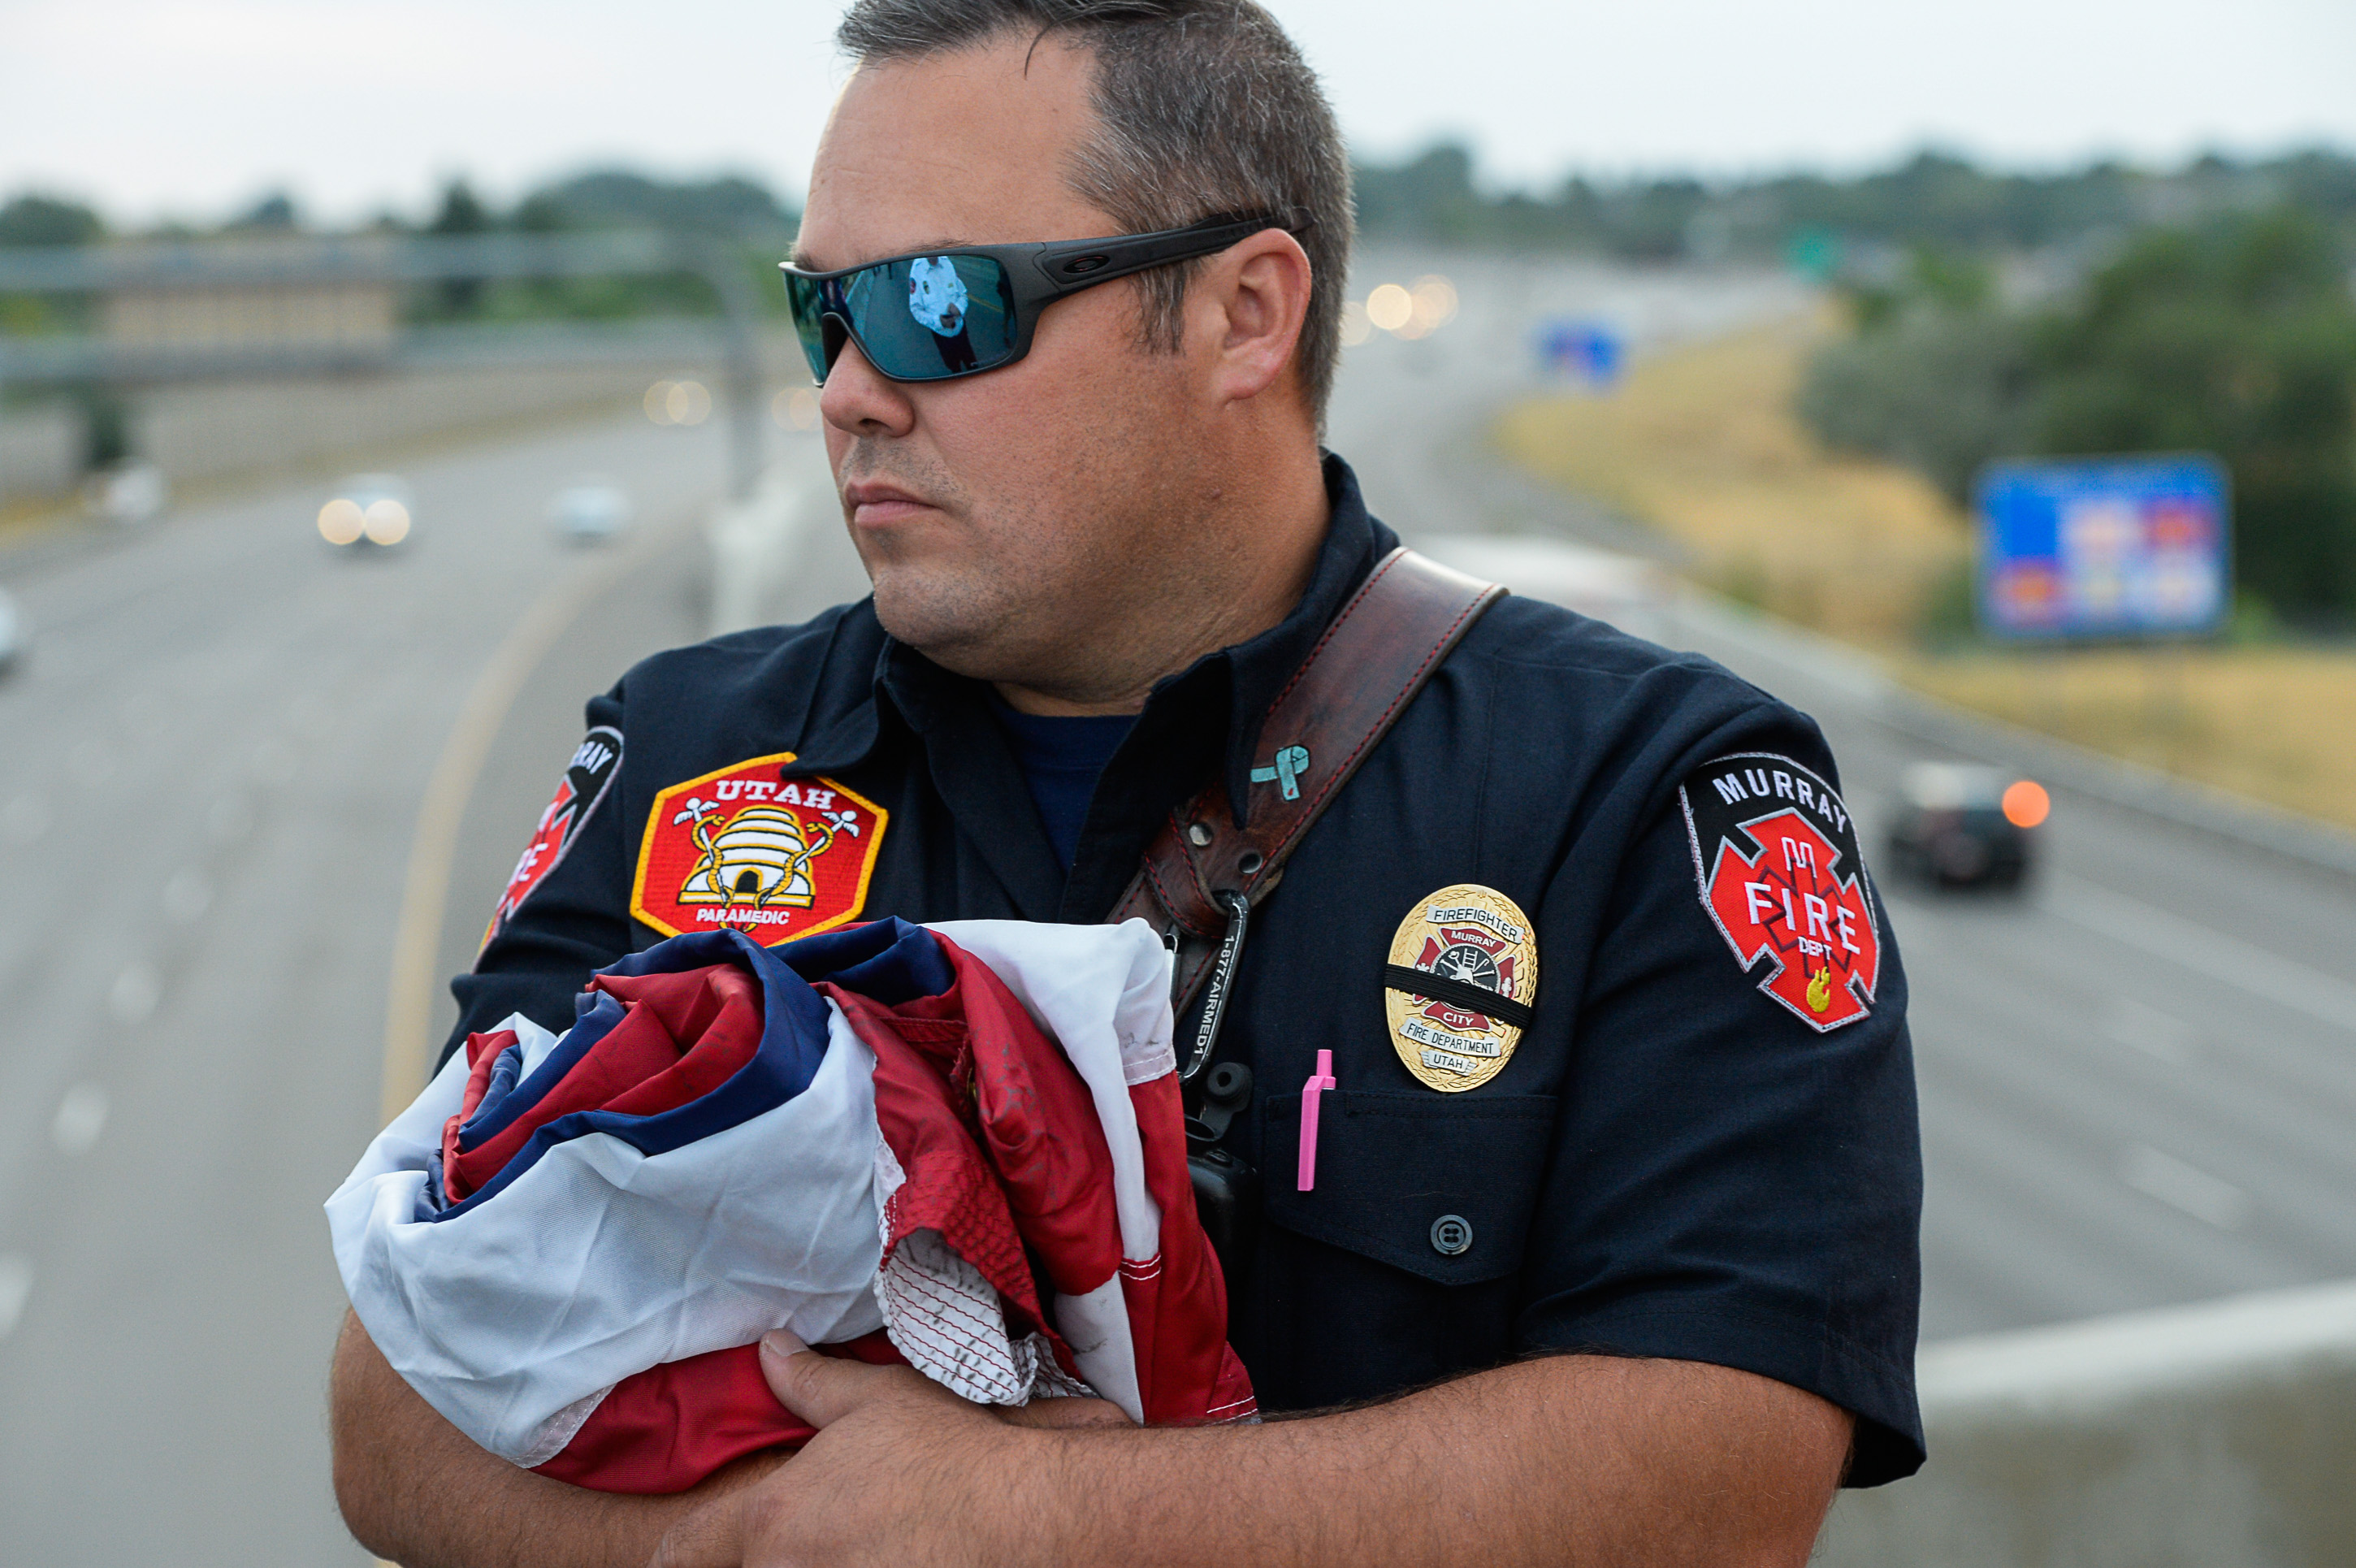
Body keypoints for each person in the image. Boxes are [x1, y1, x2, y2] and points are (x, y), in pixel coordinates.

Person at [329, 1, 1924, 1562]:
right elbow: (392, 1395)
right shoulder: (695, 758)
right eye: (824, 312)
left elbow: (1722, 1471)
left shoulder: (1646, 789)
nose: (848, 391)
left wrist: (1034, 1520)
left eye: (938, 307)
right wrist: (771, 1534)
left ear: (1245, 312)